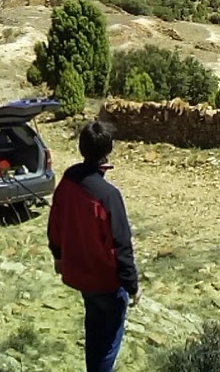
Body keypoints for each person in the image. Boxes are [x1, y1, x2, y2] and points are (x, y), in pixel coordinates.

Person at [48, 119, 138, 372]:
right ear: (107, 152)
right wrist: (132, 286)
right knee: (109, 341)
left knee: (94, 330)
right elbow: (122, 246)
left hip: (80, 276)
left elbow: (55, 220)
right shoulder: (108, 195)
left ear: (81, 147)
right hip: (106, 282)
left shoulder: (68, 180)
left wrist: (58, 255)